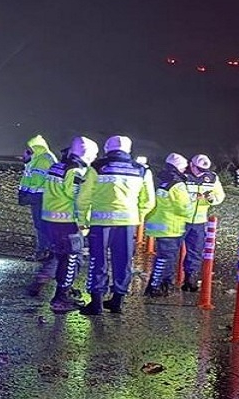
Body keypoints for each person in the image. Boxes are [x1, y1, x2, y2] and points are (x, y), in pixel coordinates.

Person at [76, 135, 154, 315]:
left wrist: (82, 220)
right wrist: (138, 215)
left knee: (98, 261)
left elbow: (83, 198)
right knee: (123, 261)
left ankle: (96, 304)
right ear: (128, 149)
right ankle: (117, 302)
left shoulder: (97, 167)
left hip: (101, 223)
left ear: (107, 148)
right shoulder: (142, 170)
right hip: (128, 223)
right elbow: (149, 201)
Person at [26, 136, 98, 312]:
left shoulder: (57, 166)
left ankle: (42, 280)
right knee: (72, 258)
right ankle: (60, 298)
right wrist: (83, 224)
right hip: (67, 222)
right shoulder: (77, 171)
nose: (95, 158)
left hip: (50, 219)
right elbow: (78, 199)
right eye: (94, 154)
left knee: (59, 255)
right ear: (87, 153)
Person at [142, 153, 192, 297]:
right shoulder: (177, 185)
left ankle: (164, 285)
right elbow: (183, 207)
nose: (184, 170)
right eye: (183, 167)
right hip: (171, 226)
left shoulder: (160, 180)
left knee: (164, 258)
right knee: (165, 259)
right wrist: (191, 212)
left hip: (159, 224)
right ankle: (154, 287)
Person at [182, 153, 226, 291]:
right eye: (199, 170)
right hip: (180, 219)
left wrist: (212, 199)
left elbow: (220, 196)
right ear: (191, 165)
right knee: (170, 253)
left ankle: (190, 279)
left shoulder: (212, 177)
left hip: (199, 221)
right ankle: (162, 283)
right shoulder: (183, 176)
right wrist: (193, 197)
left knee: (195, 252)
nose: (201, 174)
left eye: (203, 171)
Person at [18, 135, 57, 261]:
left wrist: (27, 195)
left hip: (40, 197)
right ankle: (46, 251)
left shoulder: (42, 160)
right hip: (40, 197)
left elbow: (36, 181)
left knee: (41, 225)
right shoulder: (38, 159)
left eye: (28, 149)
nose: (25, 151)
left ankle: (43, 251)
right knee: (42, 225)